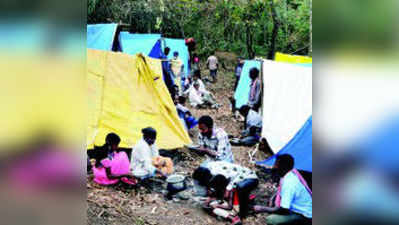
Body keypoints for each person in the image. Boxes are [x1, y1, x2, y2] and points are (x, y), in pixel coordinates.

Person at [252, 154, 312, 225]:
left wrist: (262, 209)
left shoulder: (289, 183)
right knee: (274, 202)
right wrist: (273, 197)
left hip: (305, 216)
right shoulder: (289, 174)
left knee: (271, 220)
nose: (274, 167)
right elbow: (281, 189)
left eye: (276, 164)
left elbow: (283, 209)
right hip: (306, 209)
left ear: (283, 167)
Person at [193, 161, 258, 225]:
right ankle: (247, 203)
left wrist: (217, 205)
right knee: (214, 205)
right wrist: (210, 200)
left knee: (216, 210)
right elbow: (219, 195)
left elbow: (229, 206)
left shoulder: (230, 187)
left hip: (233, 207)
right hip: (232, 202)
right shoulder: (218, 177)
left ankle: (234, 218)